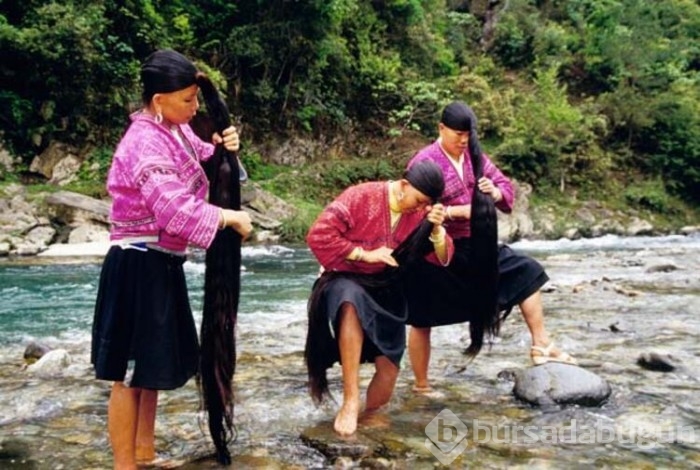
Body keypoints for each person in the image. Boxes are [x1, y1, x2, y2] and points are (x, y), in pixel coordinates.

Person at [90, 49, 253, 470]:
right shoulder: (144, 141)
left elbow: (206, 159)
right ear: (159, 99)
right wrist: (228, 216)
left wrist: (224, 147)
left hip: (161, 263)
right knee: (126, 377)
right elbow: (172, 208)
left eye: (196, 99)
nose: (194, 108)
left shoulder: (174, 131)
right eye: (187, 100)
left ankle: (144, 454)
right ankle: (124, 465)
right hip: (136, 264)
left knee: (147, 370)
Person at [405, 101, 577, 395]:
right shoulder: (425, 162)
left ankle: (541, 344)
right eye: (457, 133)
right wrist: (457, 212)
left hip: (478, 244)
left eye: (468, 135)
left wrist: (494, 192)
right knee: (422, 317)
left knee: (528, 272)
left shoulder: (476, 157)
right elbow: (415, 207)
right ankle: (421, 384)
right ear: (441, 129)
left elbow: (505, 189)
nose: (463, 140)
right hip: (438, 247)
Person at [304, 161, 453, 436]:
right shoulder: (361, 196)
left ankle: (372, 412)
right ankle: (350, 401)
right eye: (418, 200)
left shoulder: (421, 213)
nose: (419, 208)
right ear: (405, 185)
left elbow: (442, 257)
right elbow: (317, 235)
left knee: (389, 363)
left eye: (425, 205)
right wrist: (364, 254)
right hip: (344, 277)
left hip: (386, 285)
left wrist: (436, 231)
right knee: (350, 302)